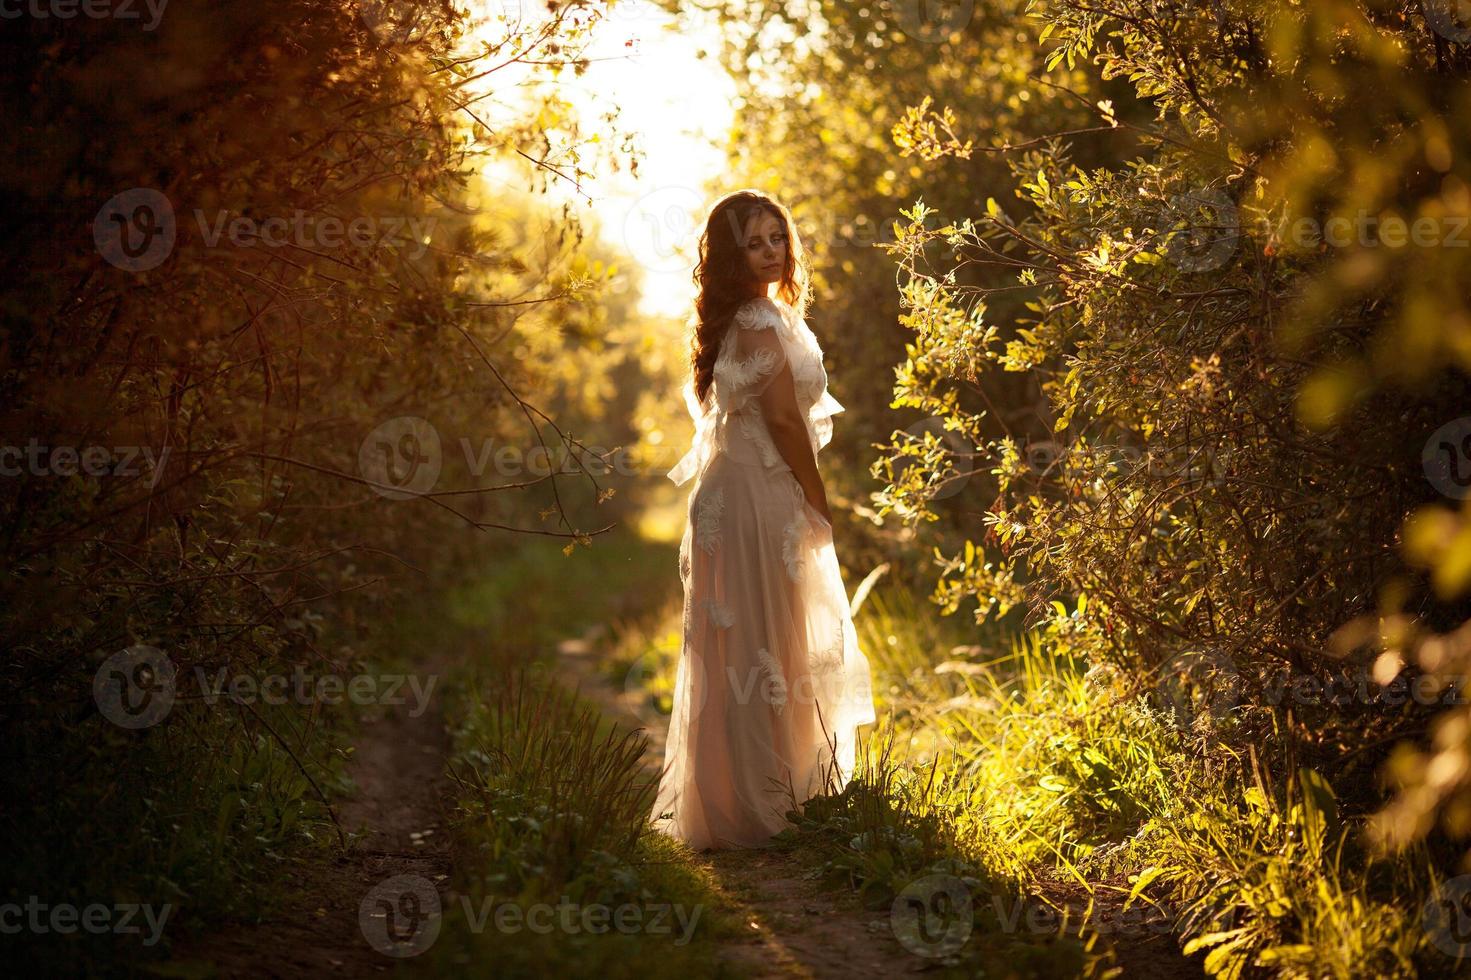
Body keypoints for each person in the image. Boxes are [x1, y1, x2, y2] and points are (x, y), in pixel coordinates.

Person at [650, 189, 876, 851]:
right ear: (732, 255)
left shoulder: (748, 317)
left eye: (778, 237)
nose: (772, 251)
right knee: (765, 647)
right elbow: (780, 419)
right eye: (755, 242)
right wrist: (818, 497)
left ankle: (759, 796)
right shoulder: (757, 319)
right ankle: (762, 804)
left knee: (756, 649)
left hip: (739, 493)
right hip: (753, 496)